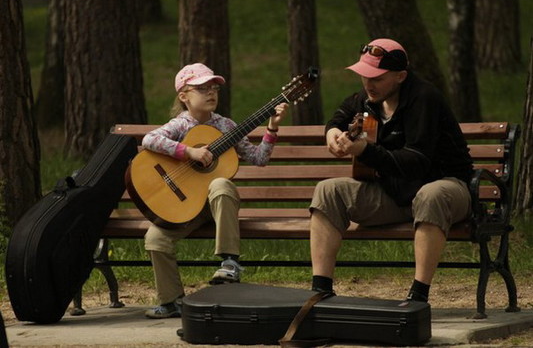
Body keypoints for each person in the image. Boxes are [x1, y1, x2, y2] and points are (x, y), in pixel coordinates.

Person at [309, 38, 473, 303]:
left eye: (377, 78)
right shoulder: (368, 99)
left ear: (401, 76)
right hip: (397, 193)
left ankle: (418, 296)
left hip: (447, 188)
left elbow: (416, 162)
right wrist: (332, 132)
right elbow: (339, 115)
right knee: (328, 190)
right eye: (364, 76)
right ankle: (320, 291)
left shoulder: (424, 98)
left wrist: (365, 151)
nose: (368, 84)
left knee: (430, 195)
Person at [142, 63, 289, 318]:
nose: (211, 93)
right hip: (187, 206)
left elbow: (258, 159)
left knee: (220, 184)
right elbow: (149, 140)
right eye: (202, 88)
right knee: (155, 239)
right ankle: (171, 301)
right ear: (184, 96)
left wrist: (272, 127)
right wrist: (189, 151)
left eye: (214, 88)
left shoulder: (226, 126)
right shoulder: (180, 125)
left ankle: (229, 262)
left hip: (216, 206)